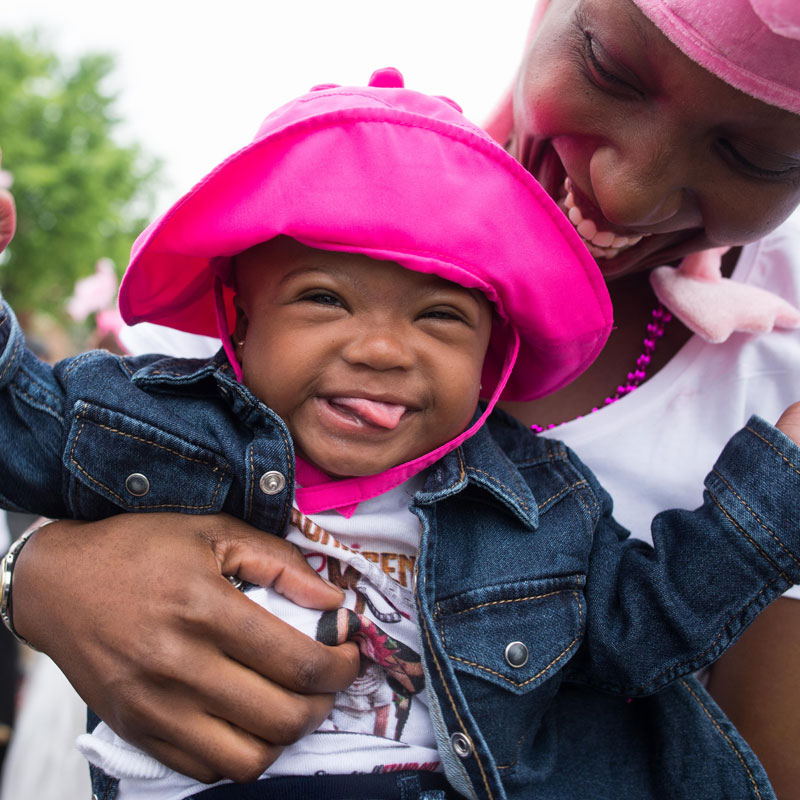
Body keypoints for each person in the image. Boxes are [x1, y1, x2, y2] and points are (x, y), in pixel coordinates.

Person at [4, 0, 800, 795]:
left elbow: (645, 623)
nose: (383, 349)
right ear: (238, 317)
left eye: (442, 317)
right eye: (323, 300)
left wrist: (781, 480)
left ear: (496, 352)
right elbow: (25, 424)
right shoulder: (170, 403)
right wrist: (32, 577)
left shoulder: (549, 507)